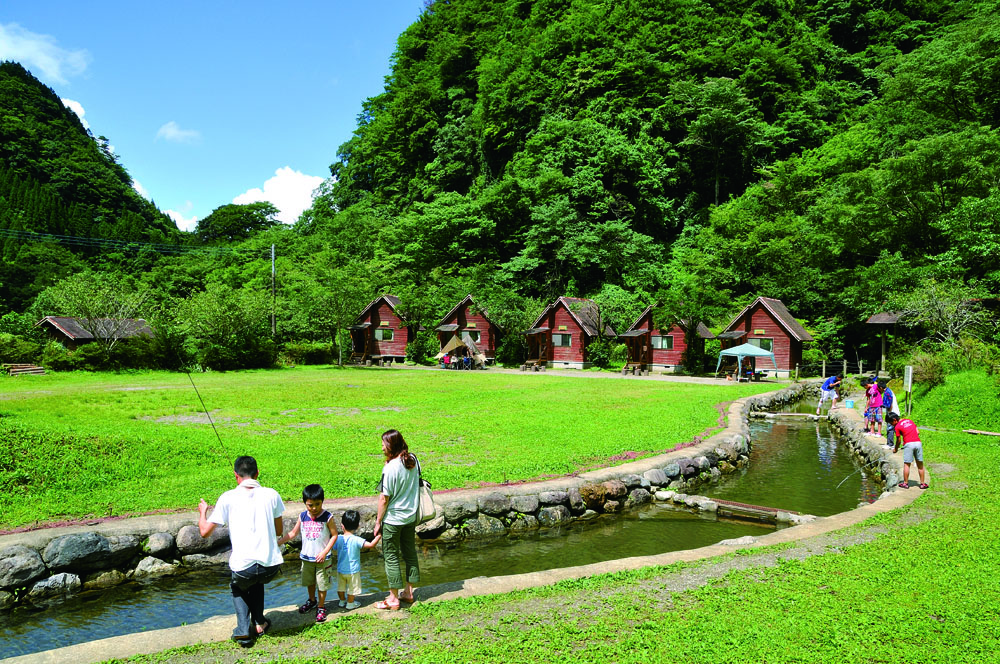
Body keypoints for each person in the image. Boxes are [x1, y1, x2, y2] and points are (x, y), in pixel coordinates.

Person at [198, 456, 285, 647]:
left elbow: (204, 532)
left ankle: (243, 631)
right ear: (258, 473)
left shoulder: (228, 497)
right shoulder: (272, 494)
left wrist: (203, 511)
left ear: (236, 475)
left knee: (238, 586)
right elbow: (279, 531)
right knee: (255, 579)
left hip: (244, 568)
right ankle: (260, 623)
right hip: (270, 566)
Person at [373, 429, 421, 610]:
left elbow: (384, 499)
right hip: (410, 516)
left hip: (393, 520)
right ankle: (408, 592)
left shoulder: (390, 468)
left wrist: (378, 522)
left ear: (391, 445)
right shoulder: (413, 460)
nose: (382, 447)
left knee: (391, 556)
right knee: (410, 553)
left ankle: (393, 598)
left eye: (384, 444)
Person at [277, 484, 338, 623]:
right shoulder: (303, 516)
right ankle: (312, 600)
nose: (314, 508)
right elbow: (293, 533)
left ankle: (321, 607)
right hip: (306, 557)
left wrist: (325, 552)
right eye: (310, 505)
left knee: (322, 584)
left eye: (317, 504)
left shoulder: (328, 517)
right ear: (305, 503)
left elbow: (334, 535)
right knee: (310, 581)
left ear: (322, 501)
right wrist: (278, 542)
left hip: (323, 559)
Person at [332, 509, 382, 610]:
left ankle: (342, 601)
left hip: (340, 569)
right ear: (358, 526)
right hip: (353, 570)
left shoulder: (338, 539)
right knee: (352, 588)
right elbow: (371, 545)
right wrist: (379, 535)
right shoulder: (356, 540)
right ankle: (350, 603)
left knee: (341, 587)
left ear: (342, 525)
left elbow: (332, 547)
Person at [887, 412, 929, 489]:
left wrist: (895, 449)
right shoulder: (909, 421)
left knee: (907, 464)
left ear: (894, 420)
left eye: (891, 423)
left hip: (909, 445)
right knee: (920, 465)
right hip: (918, 443)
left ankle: (905, 483)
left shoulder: (897, 426)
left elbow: (898, 440)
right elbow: (917, 432)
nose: (892, 425)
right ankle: (922, 483)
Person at [880, 381, 897, 448]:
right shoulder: (888, 391)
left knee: (890, 428)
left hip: (892, 413)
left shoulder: (887, 393)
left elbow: (890, 405)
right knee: (892, 428)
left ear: (881, 387)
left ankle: (890, 444)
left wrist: (889, 414)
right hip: (892, 412)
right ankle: (890, 443)